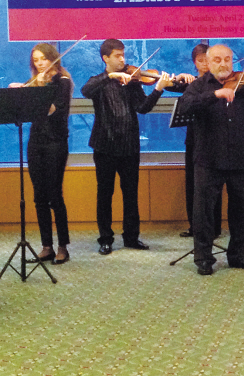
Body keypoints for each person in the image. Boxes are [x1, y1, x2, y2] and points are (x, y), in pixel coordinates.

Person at [178, 44, 244, 275]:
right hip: (208, 159)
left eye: (227, 59)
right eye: (217, 60)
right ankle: (203, 258)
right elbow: (185, 106)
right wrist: (215, 94)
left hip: (241, 158)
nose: (223, 64)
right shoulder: (199, 86)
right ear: (209, 62)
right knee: (203, 212)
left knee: (242, 211)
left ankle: (238, 255)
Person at [81, 39, 174, 255]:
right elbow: (86, 90)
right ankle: (105, 239)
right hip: (104, 145)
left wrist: (159, 89)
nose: (123, 60)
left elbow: (143, 108)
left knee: (130, 193)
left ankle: (131, 237)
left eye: (123, 55)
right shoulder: (98, 81)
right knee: (105, 193)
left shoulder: (133, 81)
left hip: (129, 146)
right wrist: (111, 76)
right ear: (105, 58)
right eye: (117, 56)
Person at [9, 43, 73, 264]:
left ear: (52, 58)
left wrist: (39, 91)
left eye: (43, 59)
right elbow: (26, 112)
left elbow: (53, 109)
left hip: (56, 142)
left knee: (55, 194)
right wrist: (20, 92)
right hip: (35, 142)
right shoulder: (35, 82)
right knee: (39, 197)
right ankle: (46, 246)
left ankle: (63, 246)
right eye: (36, 60)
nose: (40, 63)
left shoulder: (62, 82)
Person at [179, 43, 223, 239]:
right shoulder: (192, 84)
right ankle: (195, 226)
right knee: (193, 185)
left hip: (215, 139)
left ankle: (214, 226)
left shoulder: (222, 81)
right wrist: (179, 78)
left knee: (215, 186)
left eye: (208, 59)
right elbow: (171, 85)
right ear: (194, 63)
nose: (205, 63)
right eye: (200, 60)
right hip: (194, 140)